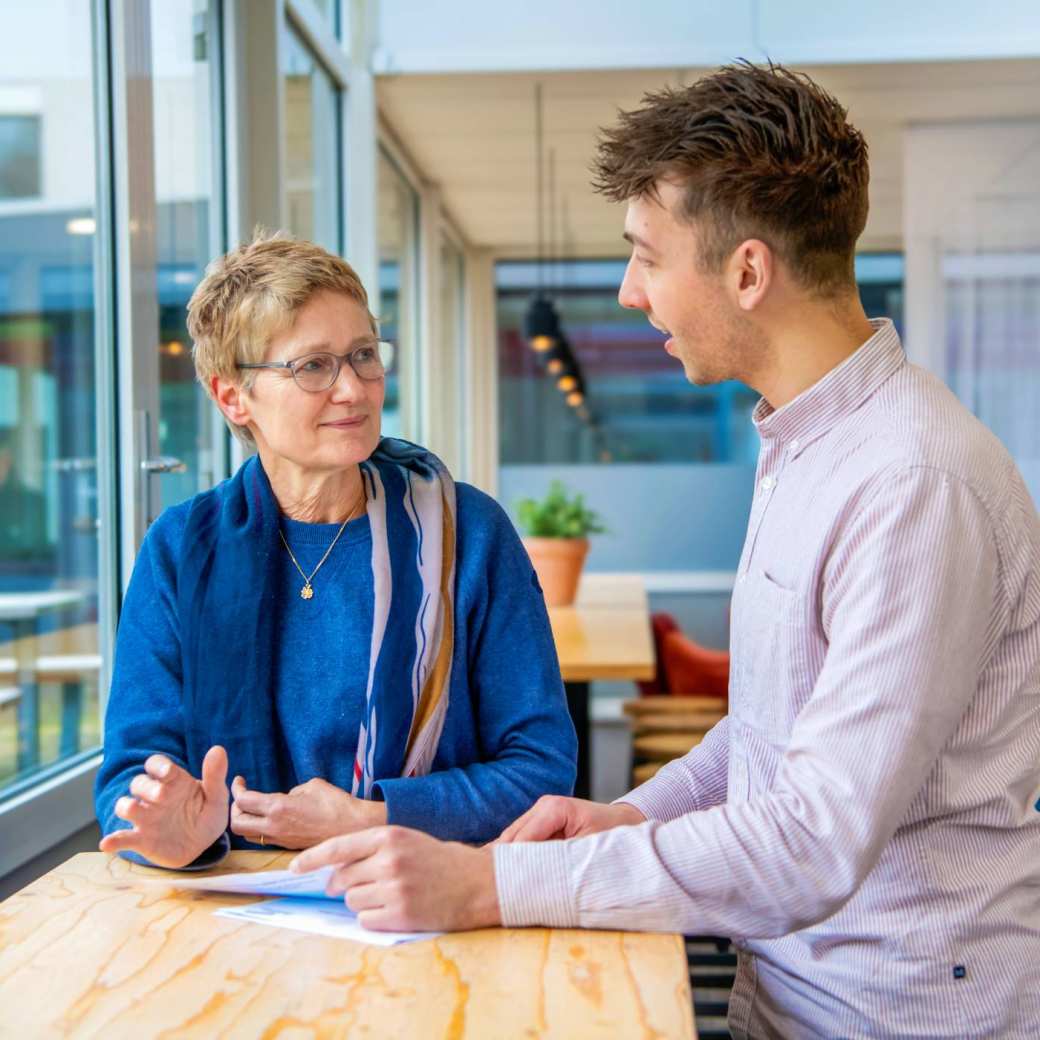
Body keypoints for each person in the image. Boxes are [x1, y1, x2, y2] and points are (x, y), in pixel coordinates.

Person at [291, 63, 1040, 1038]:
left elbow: (813, 834)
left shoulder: (909, 482)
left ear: (745, 271)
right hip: (788, 984)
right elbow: (765, 734)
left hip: (896, 1012)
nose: (627, 289)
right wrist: (630, 814)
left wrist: (490, 880)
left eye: (646, 255)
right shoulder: (801, 445)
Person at [95, 232, 576, 870]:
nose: (353, 388)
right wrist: (173, 838)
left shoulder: (470, 533)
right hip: (238, 912)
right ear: (232, 396)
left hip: (434, 897)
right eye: (313, 366)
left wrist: (372, 818)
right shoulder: (181, 549)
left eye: (363, 355)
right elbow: (130, 780)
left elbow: (541, 772)